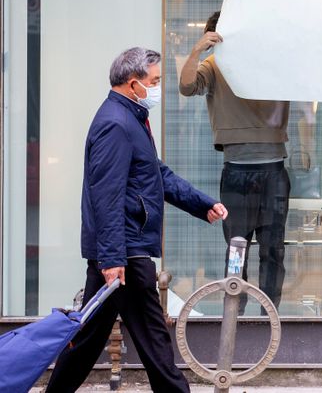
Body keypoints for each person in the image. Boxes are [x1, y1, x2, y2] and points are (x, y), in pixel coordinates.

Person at [46, 47, 228, 393]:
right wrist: (113, 258)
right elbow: (107, 195)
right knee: (154, 340)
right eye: (155, 81)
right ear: (134, 84)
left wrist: (202, 205)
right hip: (125, 254)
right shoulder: (116, 124)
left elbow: (156, 175)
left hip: (120, 252)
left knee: (88, 341)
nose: (159, 88)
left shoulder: (130, 119)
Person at [179, 12, 291, 312]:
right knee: (236, 249)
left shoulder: (272, 63)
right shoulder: (215, 65)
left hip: (273, 166)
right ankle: (235, 311)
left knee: (273, 249)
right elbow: (187, 86)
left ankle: (270, 313)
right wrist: (197, 50)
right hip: (238, 170)